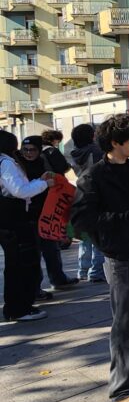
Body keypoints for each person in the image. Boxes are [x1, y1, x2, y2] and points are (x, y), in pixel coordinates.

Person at [71, 115, 129, 402]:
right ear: (115, 144)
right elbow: (81, 221)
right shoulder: (93, 176)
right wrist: (127, 219)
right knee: (125, 322)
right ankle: (121, 387)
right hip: (120, 258)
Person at [1, 130, 55, 321]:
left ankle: (19, 305)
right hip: (13, 220)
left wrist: (39, 181)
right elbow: (19, 190)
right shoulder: (5, 163)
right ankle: (19, 308)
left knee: (17, 264)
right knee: (20, 264)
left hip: (8, 219)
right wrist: (44, 184)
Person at [16, 136, 78, 298]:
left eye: (33, 150)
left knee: (51, 249)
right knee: (33, 254)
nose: (29, 153)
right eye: (25, 150)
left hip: (47, 213)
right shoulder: (18, 166)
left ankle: (58, 279)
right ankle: (35, 288)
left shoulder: (44, 162)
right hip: (28, 216)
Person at [69, 124, 106, 283]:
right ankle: (96, 272)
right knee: (99, 236)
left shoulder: (73, 153)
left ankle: (82, 270)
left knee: (85, 237)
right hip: (95, 194)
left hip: (79, 194)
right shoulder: (96, 151)